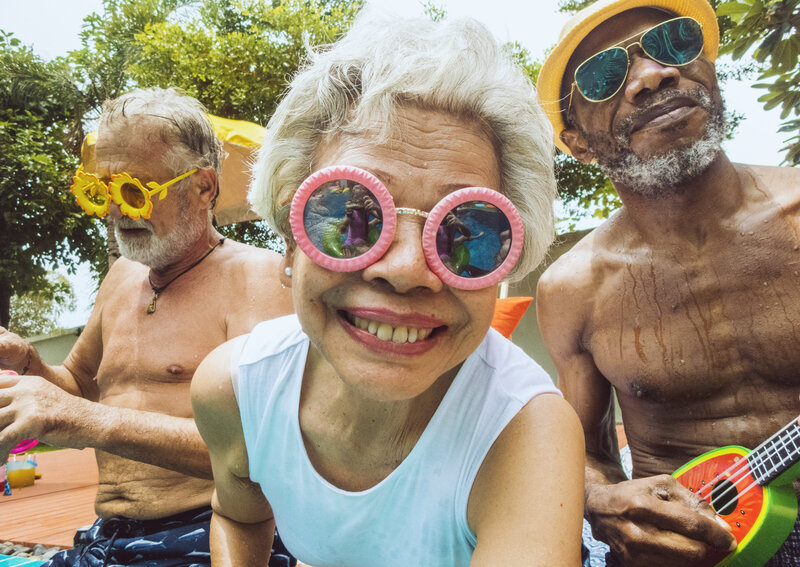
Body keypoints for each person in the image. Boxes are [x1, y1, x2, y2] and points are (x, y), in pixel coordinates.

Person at [190, 11, 585, 567]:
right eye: (349, 218)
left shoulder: (523, 432)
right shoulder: (237, 388)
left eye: (467, 232)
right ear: (288, 245)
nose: (405, 269)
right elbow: (236, 514)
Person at [534, 0, 800, 565]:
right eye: (605, 76)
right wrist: (601, 496)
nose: (653, 74)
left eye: (675, 42)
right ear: (579, 143)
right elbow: (585, 449)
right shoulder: (573, 288)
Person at [0, 88, 295, 566]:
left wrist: (85, 420)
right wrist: (29, 364)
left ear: (204, 187)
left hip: (207, 533)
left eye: (135, 191)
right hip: (104, 537)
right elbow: (80, 386)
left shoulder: (255, 278)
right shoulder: (121, 276)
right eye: (103, 191)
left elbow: (264, 450)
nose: (116, 211)